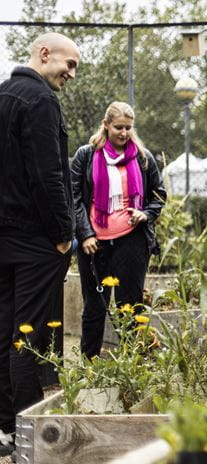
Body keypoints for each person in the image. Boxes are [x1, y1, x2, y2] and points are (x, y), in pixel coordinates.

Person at [0, 32, 80, 453]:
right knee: (27, 336)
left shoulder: (3, 95)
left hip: (4, 238)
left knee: (4, 331)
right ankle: (31, 438)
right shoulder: (41, 100)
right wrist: (63, 236)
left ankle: (5, 431)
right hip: (35, 241)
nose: (70, 74)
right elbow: (49, 175)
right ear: (44, 54)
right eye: (69, 64)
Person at [70, 101, 166, 358]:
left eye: (128, 128)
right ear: (106, 125)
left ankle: (132, 365)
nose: (123, 133)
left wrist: (145, 213)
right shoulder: (86, 155)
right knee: (94, 307)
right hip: (95, 244)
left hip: (131, 243)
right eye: (118, 127)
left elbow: (159, 195)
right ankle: (88, 364)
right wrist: (85, 233)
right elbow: (74, 198)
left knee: (130, 307)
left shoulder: (143, 158)